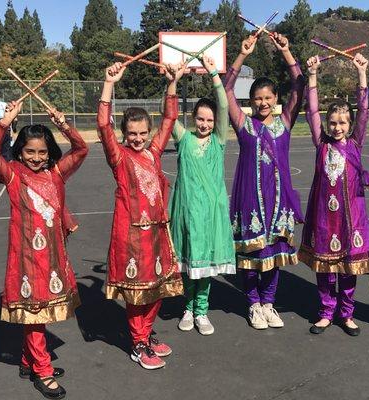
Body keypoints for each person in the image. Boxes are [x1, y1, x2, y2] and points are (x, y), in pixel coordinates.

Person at [0, 100, 88, 399]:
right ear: (19, 151)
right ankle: (42, 370)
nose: (36, 157)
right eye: (30, 151)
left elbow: (81, 150)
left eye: (42, 151)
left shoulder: (56, 173)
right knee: (35, 313)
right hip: (27, 257)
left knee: (39, 312)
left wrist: (64, 124)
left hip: (53, 255)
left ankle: (30, 362)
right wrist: (5, 122)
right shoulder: (13, 174)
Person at [97, 61, 185, 370]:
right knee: (137, 295)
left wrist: (172, 82)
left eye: (143, 133)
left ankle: (146, 335)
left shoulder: (153, 152)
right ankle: (137, 343)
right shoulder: (119, 158)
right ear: (124, 134)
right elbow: (103, 126)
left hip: (158, 234)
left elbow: (170, 118)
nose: (138, 138)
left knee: (157, 288)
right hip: (131, 236)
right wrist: (109, 84)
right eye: (132, 133)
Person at [224, 34, 305, 330]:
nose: (263, 102)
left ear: (276, 100)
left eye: (268, 98)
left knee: (273, 255)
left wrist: (286, 52)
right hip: (249, 201)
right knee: (250, 255)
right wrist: (242, 54)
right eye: (257, 98)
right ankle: (254, 305)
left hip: (278, 201)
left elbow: (300, 86)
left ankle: (269, 303)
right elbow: (226, 88)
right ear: (251, 101)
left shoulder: (284, 124)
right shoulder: (244, 125)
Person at [298, 53, 369, 337]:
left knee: (348, 269)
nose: (337, 127)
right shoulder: (322, 143)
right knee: (325, 269)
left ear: (350, 124)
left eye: (343, 123)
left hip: (350, 218)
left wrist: (362, 74)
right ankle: (326, 311)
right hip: (324, 218)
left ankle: (347, 312)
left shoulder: (355, 143)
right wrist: (313, 75)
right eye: (333, 123)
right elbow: (312, 111)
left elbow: (364, 111)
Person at [171, 55, 236, 336]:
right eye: (200, 118)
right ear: (193, 119)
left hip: (210, 214)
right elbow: (169, 115)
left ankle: (202, 310)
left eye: (209, 120)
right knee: (188, 264)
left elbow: (223, 104)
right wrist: (173, 81)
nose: (205, 123)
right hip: (187, 213)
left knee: (206, 266)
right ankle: (187, 308)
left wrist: (213, 74)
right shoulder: (183, 139)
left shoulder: (219, 141)